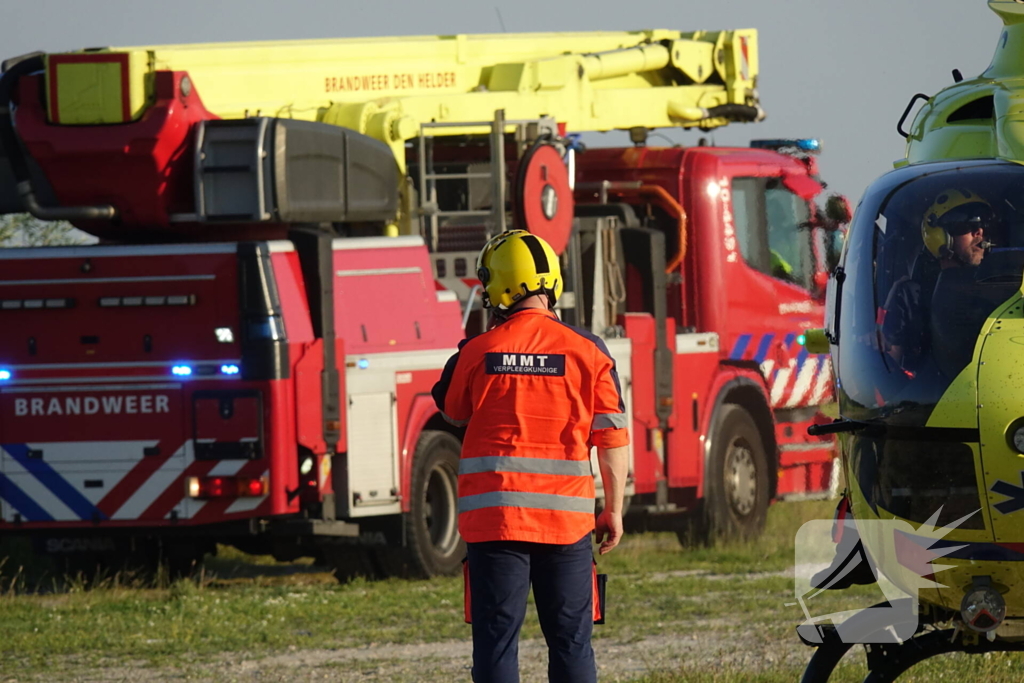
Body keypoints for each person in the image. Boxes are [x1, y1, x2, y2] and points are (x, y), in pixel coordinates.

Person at [432, 229, 630, 683]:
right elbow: (613, 438)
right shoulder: (589, 352)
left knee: (497, 642)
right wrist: (614, 511)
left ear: (498, 286)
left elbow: (452, 408)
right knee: (571, 642)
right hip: (566, 525)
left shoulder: (479, 352)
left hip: (496, 522)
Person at [880, 189, 992, 371]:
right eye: (966, 225)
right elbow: (890, 364)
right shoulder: (911, 296)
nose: (979, 232)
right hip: (934, 395)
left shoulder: (1004, 286)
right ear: (940, 236)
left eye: (982, 225)